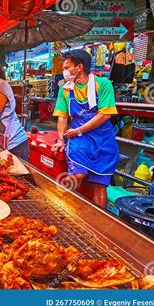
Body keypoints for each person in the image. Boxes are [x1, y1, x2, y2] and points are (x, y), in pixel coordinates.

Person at [52, 50, 119, 208]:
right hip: (80, 140)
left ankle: (98, 224)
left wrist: (79, 130)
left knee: (100, 186)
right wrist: (61, 139)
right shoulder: (65, 90)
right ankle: (60, 206)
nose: (64, 72)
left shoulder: (102, 84)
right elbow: (62, 116)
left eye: (67, 67)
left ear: (79, 67)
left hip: (104, 141)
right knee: (78, 175)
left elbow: (105, 115)